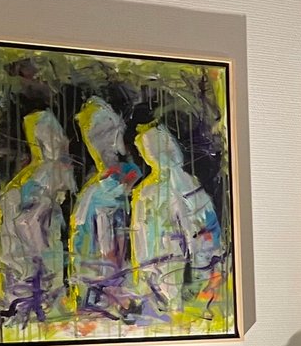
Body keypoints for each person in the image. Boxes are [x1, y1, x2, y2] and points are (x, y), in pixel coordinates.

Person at [130, 122, 225, 320]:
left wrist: (205, 261)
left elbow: (205, 224)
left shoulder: (184, 185)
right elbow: (140, 236)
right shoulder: (145, 192)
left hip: (179, 262)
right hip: (163, 263)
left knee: (181, 306)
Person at [0, 108, 76, 327]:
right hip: (30, 264)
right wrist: (42, 254)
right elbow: (28, 223)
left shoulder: (34, 176)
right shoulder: (44, 176)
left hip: (26, 261)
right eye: (56, 137)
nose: (63, 141)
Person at [70, 97, 136, 318]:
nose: (104, 144)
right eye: (95, 136)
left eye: (108, 132)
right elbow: (106, 246)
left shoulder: (115, 180)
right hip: (101, 281)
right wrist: (116, 289)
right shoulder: (99, 191)